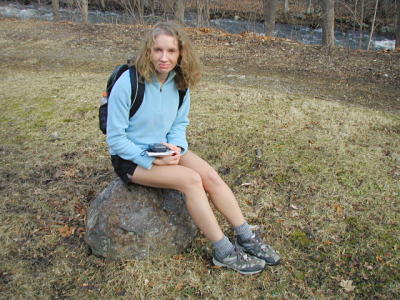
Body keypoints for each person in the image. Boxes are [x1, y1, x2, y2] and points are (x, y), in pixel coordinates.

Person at [106, 20, 280, 275]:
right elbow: (115, 139)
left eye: (171, 51)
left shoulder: (180, 82)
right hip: (131, 159)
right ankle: (223, 252)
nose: (164, 58)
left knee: (210, 175)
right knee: (191, 180)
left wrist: (176, 147)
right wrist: (149, 159)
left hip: (164, 149)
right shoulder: (128, 82)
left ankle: (246, 236)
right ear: (148, 51)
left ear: (180, 53)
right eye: (157, 50)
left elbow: (179, 124)